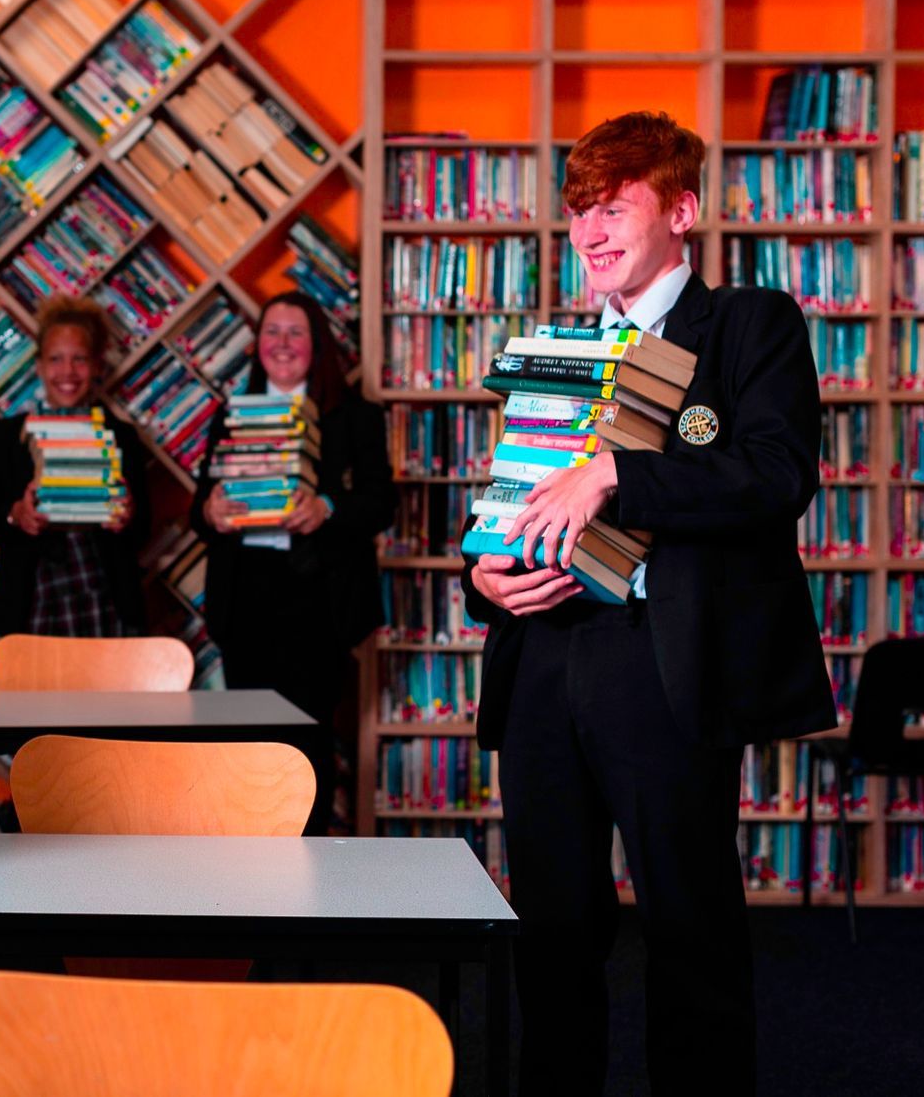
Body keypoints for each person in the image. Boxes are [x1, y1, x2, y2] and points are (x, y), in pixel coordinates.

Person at [464, 111, 834, 1096]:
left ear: (682, 209)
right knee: (550, 927)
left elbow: (775, 474)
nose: (590, 229)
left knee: (688, 927)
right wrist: (486, 579)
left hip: (662, 664)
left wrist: (619, 474)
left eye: (614, 205)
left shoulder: (752, 324)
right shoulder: (555, 349)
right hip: (543, 659)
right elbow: (515, 506)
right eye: (579, 208)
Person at [191, 293, 396, 805]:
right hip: (244, 597)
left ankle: (311, 868)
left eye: (295, 333)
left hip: (318, 599)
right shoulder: (230, 414)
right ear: (256, 345)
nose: (282, 344)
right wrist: (211, 512)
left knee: (307, 746)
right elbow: (200, 509)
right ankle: (253, 872)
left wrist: (328, 507)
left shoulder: (356, 417)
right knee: (247, 746)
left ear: (318, 345)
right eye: (271, 332)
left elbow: (380, 504)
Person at [0, 296, 150, 638]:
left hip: (105, 597)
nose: (67, 372)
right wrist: (14, 514)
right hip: (32, 600)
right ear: (38, 365)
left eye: (79, 359)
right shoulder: (5, 437)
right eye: (55, 359)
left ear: (96, 366)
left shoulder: (121, 436)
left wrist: (128, 515)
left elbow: (144, 529)